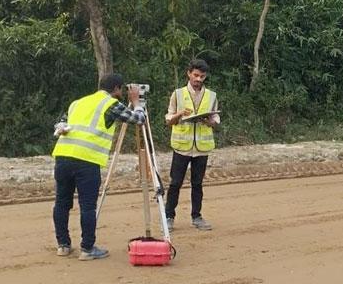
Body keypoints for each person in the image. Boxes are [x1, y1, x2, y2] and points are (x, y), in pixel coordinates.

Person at [52, 73, 147, 260]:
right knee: (87, 206)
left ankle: (63, 245)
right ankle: (87, 249)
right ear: (117, 89)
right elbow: (138, 119)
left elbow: (60, 123)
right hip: (87, 160)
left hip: (63, 156)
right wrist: (137, 102)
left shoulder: (77, 102)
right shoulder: (111, 104)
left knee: (61, 202)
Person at [165, 59, 220, 231]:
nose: (198, 79)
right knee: (175, 183)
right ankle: (169, 217)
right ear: (189, 73)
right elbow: (168, 119)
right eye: (196, 75)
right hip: (182, 146)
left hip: (201, 149)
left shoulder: (211, 95)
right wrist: (180, 114)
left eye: (202, 76)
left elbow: (216, 119)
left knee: (198, 184)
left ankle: (197, 216)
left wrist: (209, 121)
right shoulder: (178, 94)